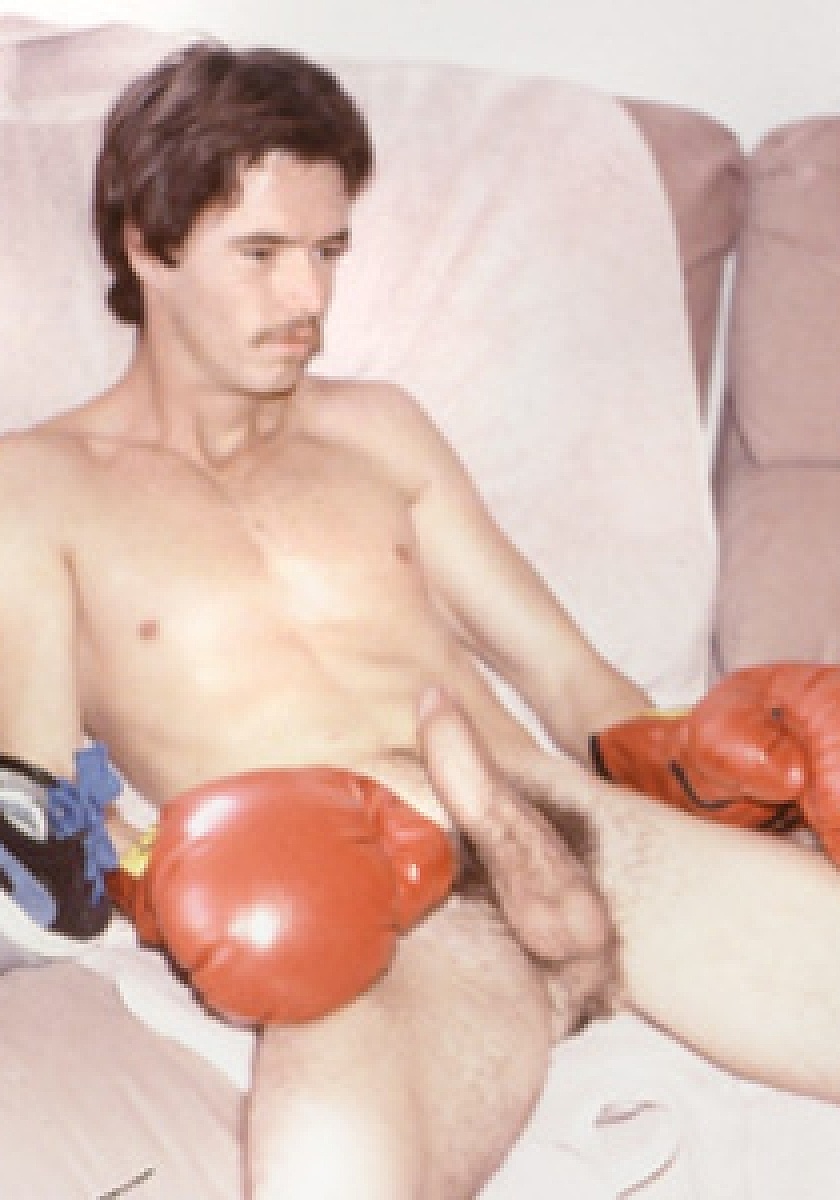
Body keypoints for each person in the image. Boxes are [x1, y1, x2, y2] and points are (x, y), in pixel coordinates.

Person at [0, 39, 838, 1199]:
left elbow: (571, 683)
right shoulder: (37, 490)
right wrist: (180, 885)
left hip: (585, 837)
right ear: (147, 243)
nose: (308, 300)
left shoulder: (379, 430)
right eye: (263, 254)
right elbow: (42, 822)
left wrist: (699, 760)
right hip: (391, 925)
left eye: (329, 251)